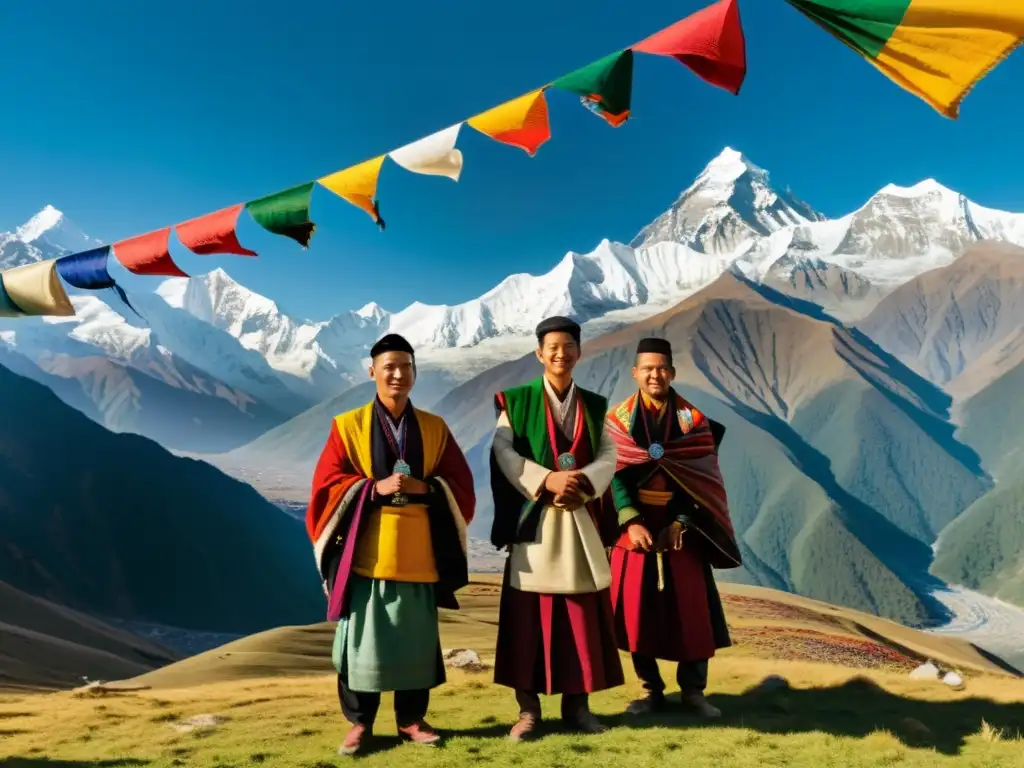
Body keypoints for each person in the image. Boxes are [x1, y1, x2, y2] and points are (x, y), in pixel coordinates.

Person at [305, 333, 475, 756]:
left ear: (415, 372)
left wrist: (427, 487)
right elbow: (326, 487)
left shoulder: (435, 429)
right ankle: (360, 725)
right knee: (363, 643)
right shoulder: (348, 426)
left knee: (415, 641)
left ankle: (411, 720)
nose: (398, 374)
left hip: (419, 550)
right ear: (372, 372)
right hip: (368, 552)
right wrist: (370, 489)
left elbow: (462, 487)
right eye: (389, 366)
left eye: (406, 366)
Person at [489, 315, 624, 742]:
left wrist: (581, 484)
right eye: (552, 347)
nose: (560, 353)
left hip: (578, 517)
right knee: (527, 622)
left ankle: (578, 707)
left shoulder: (596, 405)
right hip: (534, 521)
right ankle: (528, 711)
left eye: (568, 346)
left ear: (579, 352)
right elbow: (502, 449)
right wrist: (546, 480)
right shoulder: (516, 401)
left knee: (579, 619)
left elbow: (609, 453)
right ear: (538, 353)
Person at [603, 337, 741, 718]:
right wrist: (629, 519)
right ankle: (650, 691)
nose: (655, 375)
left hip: (684, 530)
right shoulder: (616, 425)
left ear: (673, 373)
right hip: (634, 530)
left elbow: (698, 480)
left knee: (692, 612)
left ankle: (694, 692)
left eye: (662, 368)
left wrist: (680, 522)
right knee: (637, 612)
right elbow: (614, 476)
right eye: (647, 369)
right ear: (635, 374)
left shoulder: (694, 425)